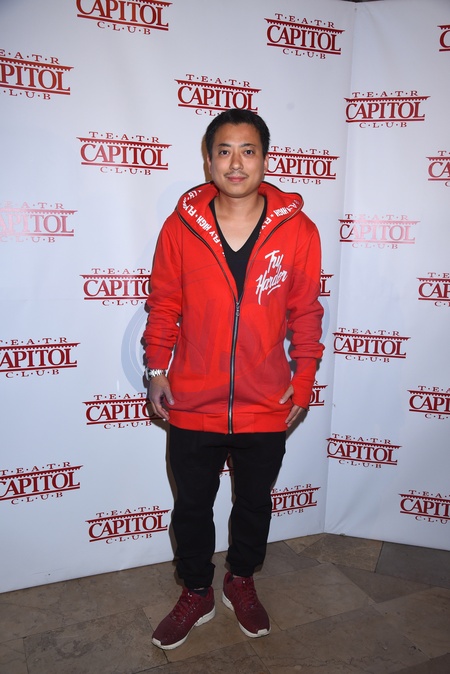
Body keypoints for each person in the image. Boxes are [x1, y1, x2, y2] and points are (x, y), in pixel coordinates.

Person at [143, 108, 324, 650]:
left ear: (265, 159)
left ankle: (240, 579)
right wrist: (157, 369)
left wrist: (305, 376)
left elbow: (306, 311)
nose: (236, 162)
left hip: (265, 400)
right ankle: (196, 590)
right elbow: (164, 305)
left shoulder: (299, 230)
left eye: (248, 150)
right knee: (191, 506)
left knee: (254, 503)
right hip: (192, 398)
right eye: (224, 150)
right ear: (208, 159)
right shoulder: (180, 227)